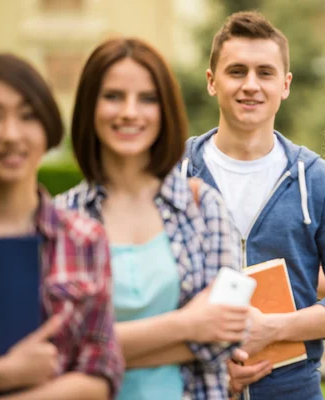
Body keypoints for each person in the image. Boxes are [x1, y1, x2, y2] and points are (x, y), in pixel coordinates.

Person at [180, 11, 325, 400]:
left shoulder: (319, 180)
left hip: (292, 391)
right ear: (211, 81)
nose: (250, 85)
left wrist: (276, 328)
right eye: (236, 71)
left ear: (285, 84)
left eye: (265, 72)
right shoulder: (173, 172)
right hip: (190, 386)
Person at [55, 37, 250, 400]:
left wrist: (101, 349)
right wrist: (187, 325)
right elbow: (59, 350)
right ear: (88, 106)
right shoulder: (61, 218)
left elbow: (225, 338)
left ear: (165, 110)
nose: (130, 112)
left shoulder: (201, 207)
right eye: (113, 96)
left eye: (147, 98)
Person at [0, 54, 123, 399]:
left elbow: (101, 374)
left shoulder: (83, 239)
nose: (11, 135)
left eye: (28, 117)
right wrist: (2, 373)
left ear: (47, 129)